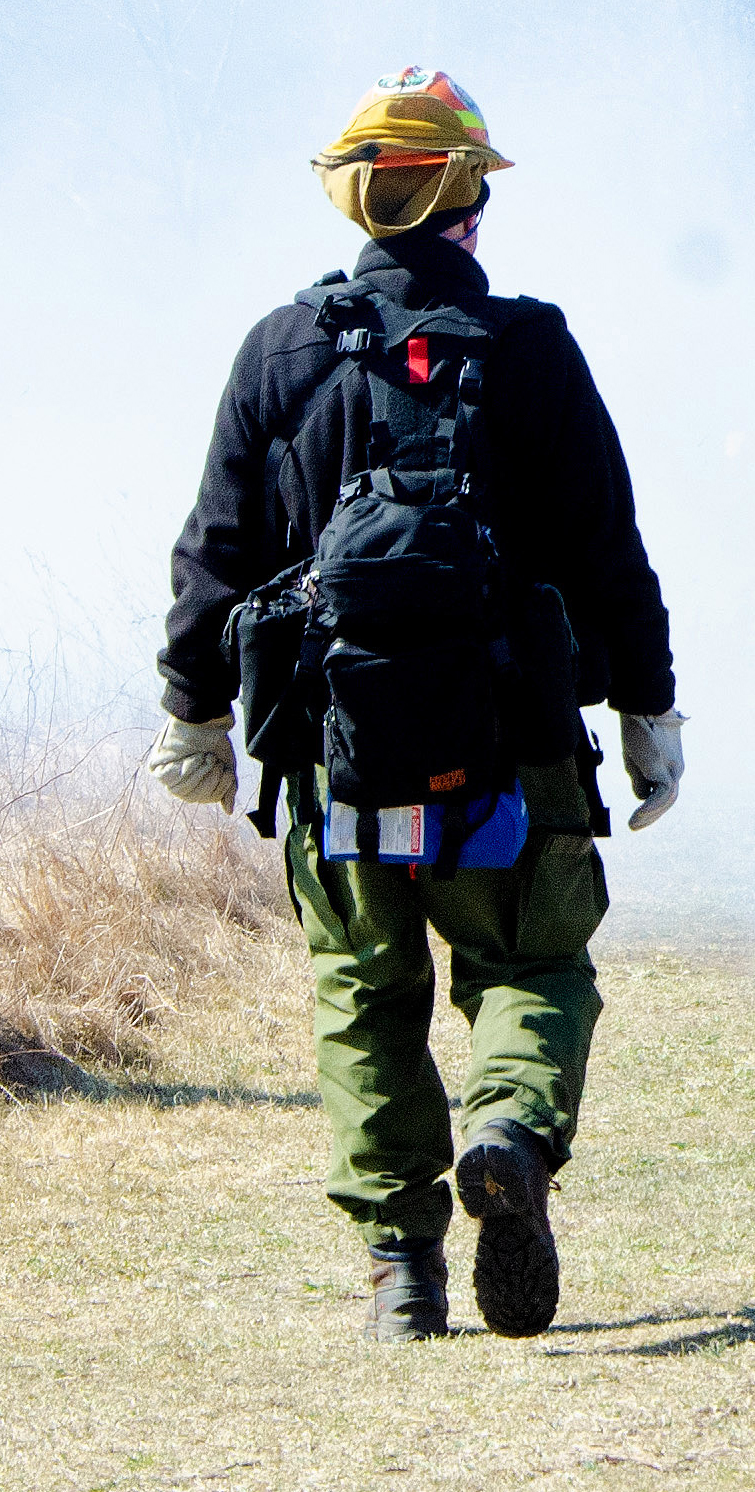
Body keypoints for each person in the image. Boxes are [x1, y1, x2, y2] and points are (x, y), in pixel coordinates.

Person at [148, 69, 684, 1344]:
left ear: (357, 203)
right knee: (534, 962)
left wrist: (194, 710)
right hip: (515, 750)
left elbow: (215, 548)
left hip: (336, 757)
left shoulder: (279, 349)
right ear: (469, 205)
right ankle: (507, 1128)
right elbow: (609, 549)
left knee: (362, 991)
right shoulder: (535, 348)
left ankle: (403, 1271)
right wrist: (648, 706)